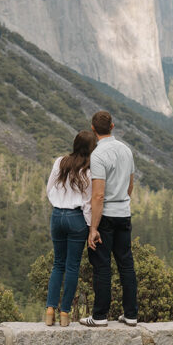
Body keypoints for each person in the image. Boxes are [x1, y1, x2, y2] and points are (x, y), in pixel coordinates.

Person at [79, 110, 139, 327]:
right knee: (126, 264)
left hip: (105, 217)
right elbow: (130, 185)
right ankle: (131, 314)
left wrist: (93, 228)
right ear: (112, 126)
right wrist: (123, 202)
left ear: (93, 129)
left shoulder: (97, 155)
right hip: (124, 213)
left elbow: (98, 195)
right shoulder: (126, 150)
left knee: (102, 266)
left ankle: (100, 316)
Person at [44, 130, 95, 327]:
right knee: (72, 266)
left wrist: (59, 204)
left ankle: (50, 310)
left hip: (57, 215)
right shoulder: (89, 170)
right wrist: (91, 227)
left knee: (58, 264)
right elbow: (89, 202)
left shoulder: (60, 162)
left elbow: (49, 189)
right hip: (76, 217)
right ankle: (65, 313)